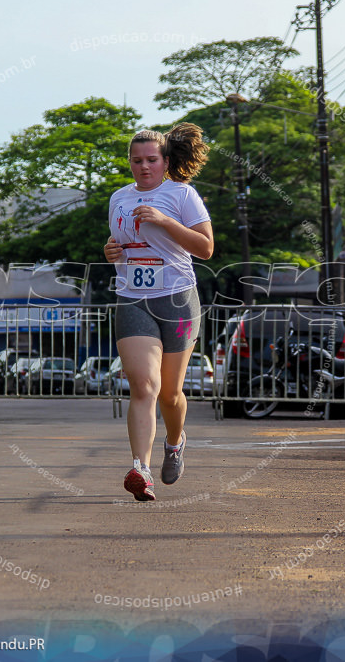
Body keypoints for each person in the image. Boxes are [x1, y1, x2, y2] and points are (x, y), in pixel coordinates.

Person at [103, 123, 213, 502]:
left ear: (165, 161)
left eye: (152, 160)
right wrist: (111, 252)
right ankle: (140, 468)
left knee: (169, 394)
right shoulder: (119, 197)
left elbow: (206, 248)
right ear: (130, 163)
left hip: (178, 299)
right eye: (137, 161)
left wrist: (166, 221)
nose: (144, 166)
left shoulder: (182, 194)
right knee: (143, 385)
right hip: (132, 297)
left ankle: (175, 440)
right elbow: (120, 244)